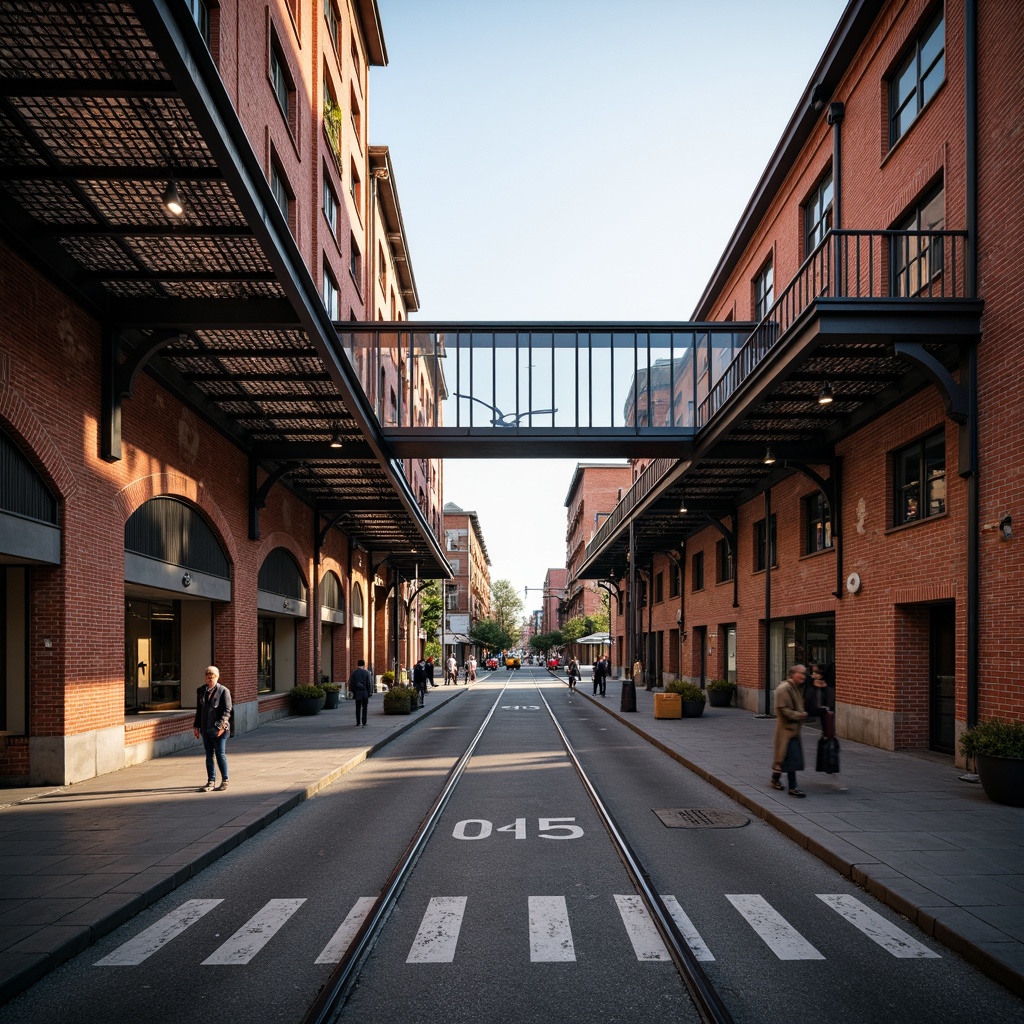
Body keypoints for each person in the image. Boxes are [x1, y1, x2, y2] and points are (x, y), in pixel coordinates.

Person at [771, 664, 809, 797]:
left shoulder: (795, 687)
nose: (804, 676)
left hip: (793, 729)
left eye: (805, 673)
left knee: (784, 758)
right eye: (801, 673)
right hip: (786, 730)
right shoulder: (784, 688)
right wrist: (800, 715)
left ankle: (775, 778)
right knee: (792, 758)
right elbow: (782, 709)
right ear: (793, 674)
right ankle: (793, 787)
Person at [193, 665, 232, 792]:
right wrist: (196, 726)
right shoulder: (201, 691)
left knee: (220, 754)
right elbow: (199, 711)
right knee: (209, 756)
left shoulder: (223, 691)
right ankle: (211, 781)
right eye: (208, 677)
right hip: (206, 728)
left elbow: (227, 711)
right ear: (205, 678)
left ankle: (225, 780)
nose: (210, 680)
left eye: (213, 677)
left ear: (217, 677)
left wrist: (222, 725)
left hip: (219, 730)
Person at [348, 659, 373, 727]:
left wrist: (353, 692)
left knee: (357, 708)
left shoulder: (354, 673)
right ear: (364, 665)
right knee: (364, 708)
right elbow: (368, 683)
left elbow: (352, 683)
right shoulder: (366, 672)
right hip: (364, 692)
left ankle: (358, 722)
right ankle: (364, 722)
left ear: (357, 664)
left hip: (358, 692)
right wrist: (369, 692)